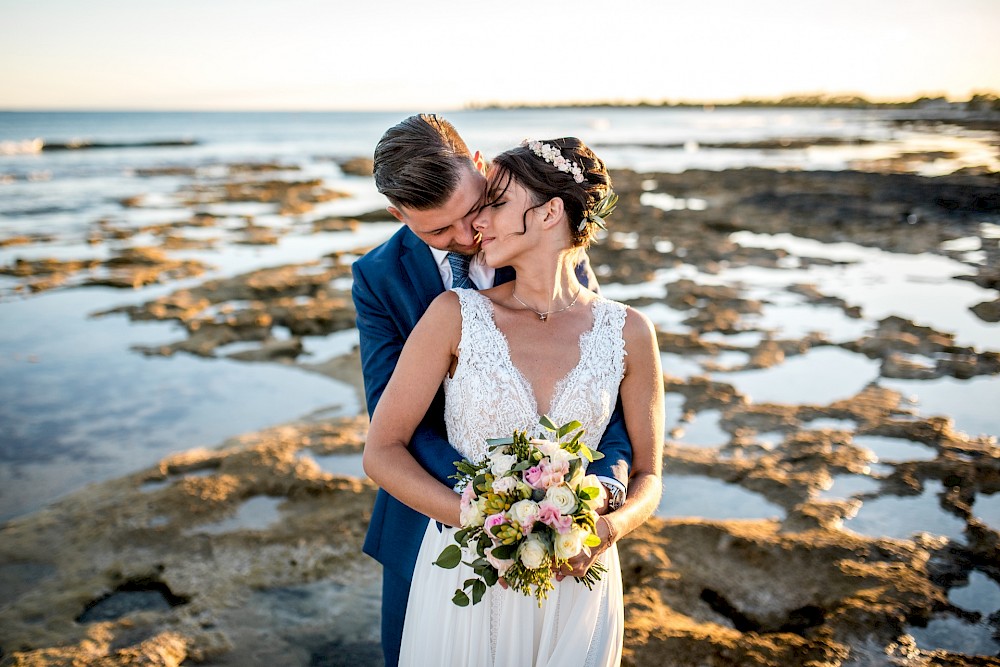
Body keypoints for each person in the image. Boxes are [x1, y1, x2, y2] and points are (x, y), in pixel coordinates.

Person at [363, 136, 664, 665]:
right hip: (441, 537)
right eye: (439, 230)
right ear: (399, 215)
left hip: (575, 564)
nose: (468, 234)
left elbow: (609, 413)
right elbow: (392, 432)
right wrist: (500, 508)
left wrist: (599, 506)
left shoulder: (618, 319)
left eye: (483, 207)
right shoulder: (400, 287)